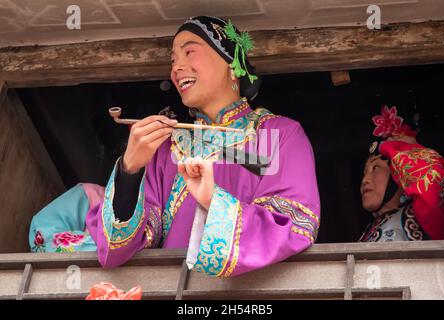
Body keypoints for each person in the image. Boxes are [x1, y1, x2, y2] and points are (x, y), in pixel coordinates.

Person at [30, 16, 321, 277]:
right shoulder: (168, 147)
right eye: (172, 60)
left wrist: (213, 201)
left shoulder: (275, 133)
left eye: (190, 51)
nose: (177, 67)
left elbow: (295, 226)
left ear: (232, 64)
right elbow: (119, 248)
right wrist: (130, 169)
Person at [359, 106, 444, 242]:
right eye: (364, 173)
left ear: (399, 174)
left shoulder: (420, 216)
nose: (365, 179)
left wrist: (392, 147)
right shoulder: (368, 230)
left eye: (376, 168)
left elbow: (434, 177)